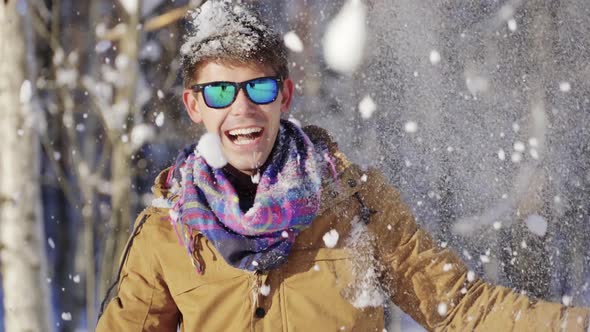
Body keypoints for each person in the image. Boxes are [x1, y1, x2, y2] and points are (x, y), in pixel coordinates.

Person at [96, 1, 590, 331]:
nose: (242, 108)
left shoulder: (355, 204)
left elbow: (460, 307)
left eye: (259, 88)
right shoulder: (169, 229)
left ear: (285, 96)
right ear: (194, 106)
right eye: (221, 91)